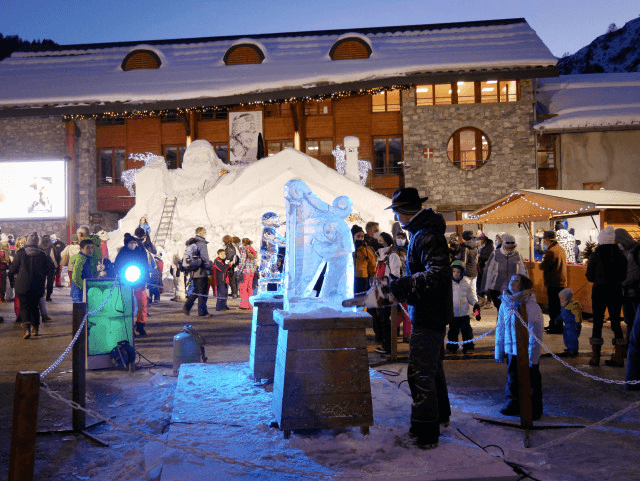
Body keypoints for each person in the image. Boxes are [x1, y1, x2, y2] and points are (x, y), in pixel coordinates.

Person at [384, 187, 452, 449]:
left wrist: (402, 286)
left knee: (420, 373)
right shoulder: (423, 233)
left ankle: (424, 432)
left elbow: (438, 274)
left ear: (403, 213)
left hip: (428, 311)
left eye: (398, 212)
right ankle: (440, 417)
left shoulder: (425, 236)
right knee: (432, 369)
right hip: (429, 310)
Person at [494, 274, 544, 420]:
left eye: (516, 281)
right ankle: (512, 404)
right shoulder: (505, 303)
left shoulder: (531, 305)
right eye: (511, 280)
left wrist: (533, 358)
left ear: (524, 285)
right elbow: (500, 328)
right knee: (512, 378)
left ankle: (534, 408)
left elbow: (536, 332)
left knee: (532, 379)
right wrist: (499, 351)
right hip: (511, 350)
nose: (512, 283)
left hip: (527, 351)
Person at [586, 226, 627, 367]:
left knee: (597, 322)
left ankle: (595, 357)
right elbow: (624, 275)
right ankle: (619, 356)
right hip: (616, 291)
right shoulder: (621, 255)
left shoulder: (596, 254)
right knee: (615, 322)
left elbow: (589, 276)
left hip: (599, 291)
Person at [8, 232, 54, 339]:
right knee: (35, 307)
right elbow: (49, 269)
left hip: (22, 285)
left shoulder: (20, 253)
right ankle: (35, 329)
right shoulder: (42, 254)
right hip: (38, 286)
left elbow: (12, 270)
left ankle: (26, 330)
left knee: (24, 307)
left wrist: (12, 283)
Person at [114, 233, 152, 335]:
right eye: (130, 243)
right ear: (126, 244)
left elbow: (145, 266)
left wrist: (145, 280)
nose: (133, 244)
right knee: (129, 305)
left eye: (134, 242)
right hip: (126, 282)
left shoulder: (141, 251)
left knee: (142, 304)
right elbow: (117, 266)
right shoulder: (122, 253)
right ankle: (128, 326)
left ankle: (141, 325)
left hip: (139, 281)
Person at [373, 232, 402, 355]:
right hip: (379, 290)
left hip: (387, 290)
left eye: (381, 239)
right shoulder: (380, 256)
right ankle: (386, 344)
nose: (379, 241)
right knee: (381, 319)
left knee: (386, 319)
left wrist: (389, 286)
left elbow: (395, 274)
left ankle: (389, 346)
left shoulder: (392, 256)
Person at [482, 234, 527, 311]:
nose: (510, 250)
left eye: (512, 248)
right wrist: (486, 287)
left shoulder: (517, 255)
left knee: (511, 310)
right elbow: (488, 270)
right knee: (500, 310)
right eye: (508, 248)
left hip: (512, 288)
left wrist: (525, 286)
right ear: (503, 245)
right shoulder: (495, 254)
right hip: (497, 288)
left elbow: (522, 270)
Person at [615, 228, 640, 351]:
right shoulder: (622, 251)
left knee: (636, 320)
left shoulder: (637, 249)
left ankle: (633, 345)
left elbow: (633, 271)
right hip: (625, 292)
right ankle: (630, 345)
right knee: (629, 320)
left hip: (636, 291)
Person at [447, 260, 479, 355]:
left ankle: (468, 347)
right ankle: (452, 348)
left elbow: (470, 296)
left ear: (462, 272)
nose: (456, 274)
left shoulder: (465, 283)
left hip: (464, 314)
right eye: (454, 271)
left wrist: (475, 304)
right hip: (453, 314)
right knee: (452, 332)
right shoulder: (449, 285)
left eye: (458, 272)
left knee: (467, 332)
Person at [352, 225, 378, 339]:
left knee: (368, 308)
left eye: (362, 236)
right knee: (353, 308)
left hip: (363, 281)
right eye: (358, 236)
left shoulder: (367, 251)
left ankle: (377, 333)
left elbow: (372, 268)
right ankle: (355, 331)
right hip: (351, 281)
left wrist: (372, 282)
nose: (360, 238)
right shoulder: (349, 250)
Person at [539, 231, 567, 334]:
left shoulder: (551, 251)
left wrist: (540, 264)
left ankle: (556, 327)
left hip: (553, 282)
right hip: (561, 282)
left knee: (553, 307)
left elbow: (544, 266)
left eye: (544, 240)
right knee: (558, 306)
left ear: (548, 240)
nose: (544, 242)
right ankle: (555, 325)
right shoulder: (560, 249)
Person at [183, 227, 212, 317]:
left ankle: (187, 306)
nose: (205, 233)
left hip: (194, 271)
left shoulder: (192, 243)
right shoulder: (202, 243)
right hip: (201, 271)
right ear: (200, 233)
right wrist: (208, 269)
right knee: (203, 292)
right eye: (204, 232)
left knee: (196, 290)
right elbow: (205, 258)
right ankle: (202, 312)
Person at [557, 288, 582, 357]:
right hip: (567, 325)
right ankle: (569, 348)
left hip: (573, 325)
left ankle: (574, 351)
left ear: (568, 298)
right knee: (566, 337)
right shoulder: (564, 306)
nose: (561, 300)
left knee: (572, 338)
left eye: (563, 298)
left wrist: (578, 323)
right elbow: (562, 314)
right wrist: (558, 318)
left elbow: (578, 315)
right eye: (560, 298)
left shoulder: (573, 305)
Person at [238, 238, 258, 309]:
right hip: (251, 272)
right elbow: (255, 262)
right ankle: (250, 305)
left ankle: (244, 304)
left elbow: (242, 262)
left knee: (243, 288)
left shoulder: (244, 250)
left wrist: (239, 271)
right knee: (250, 288)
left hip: (245, 272)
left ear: (243, 243)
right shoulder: (252, 250)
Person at [459, 230, 479, 299]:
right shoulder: (475, 247)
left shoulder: (464, 247)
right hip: (474, 271)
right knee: (474, 291)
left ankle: (467, 309)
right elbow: (476, 261)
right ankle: (476, 308)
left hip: (466, 272)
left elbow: (463, 261)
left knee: (465, 292)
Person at [476, 232, 494, 306]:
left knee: (487, 284)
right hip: (481, 267)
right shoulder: (483, 246)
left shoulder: (489, 247)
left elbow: (489, 256)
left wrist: (480, 256)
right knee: (481, 283)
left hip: (486, 267)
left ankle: (489, 301)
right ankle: (483, 299)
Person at [223, 235, 239, 299]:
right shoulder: (234, 247)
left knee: (229, 280)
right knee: (234, 281)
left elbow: (224, 257)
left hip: (228, 266)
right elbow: (238, 256)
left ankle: (233, 293)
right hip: (234, 266)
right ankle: (235, 293)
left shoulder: (226, 247)